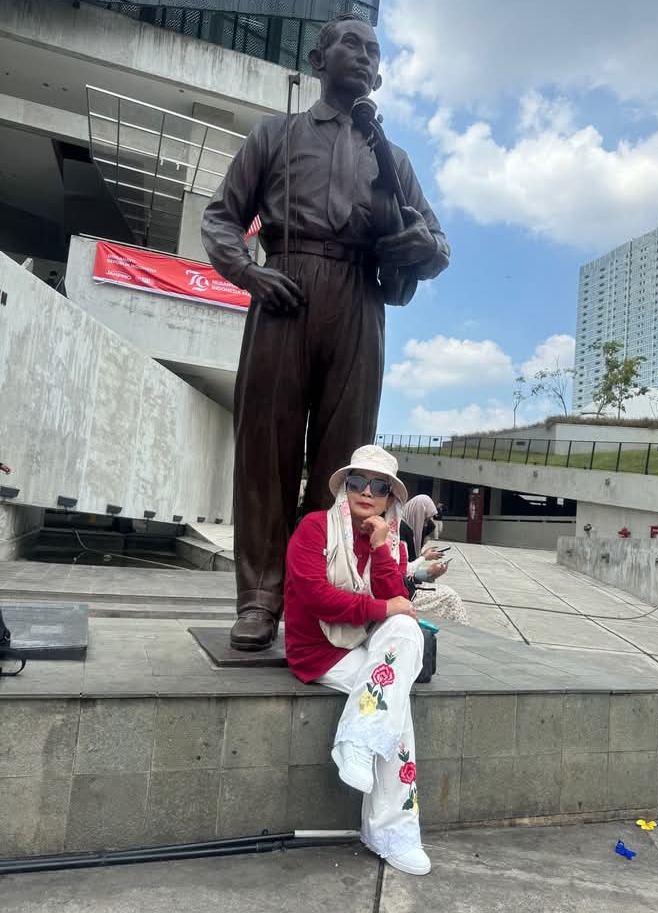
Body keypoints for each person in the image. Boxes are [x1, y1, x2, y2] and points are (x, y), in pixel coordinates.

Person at [201, 13, 450, 650]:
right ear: (318, 59)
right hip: (284, 289)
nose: (363, 56)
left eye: (373, 50)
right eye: (350, 44)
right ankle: (259, 598)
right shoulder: (276, 134)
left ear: (380, 74)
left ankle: (318, 596)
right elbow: (220, 219)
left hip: (360, 298)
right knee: (266, 451)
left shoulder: (392, 159)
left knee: (347, 466)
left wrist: (418, 246)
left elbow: (437, 245)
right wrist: (249, 274)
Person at [284, 445, 431, 876]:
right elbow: (317, 598)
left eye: (379, 486)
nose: (367, 492)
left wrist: (382, 548)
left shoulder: (391, 540)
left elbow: (396, 601)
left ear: (390, 499)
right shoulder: (315, 528)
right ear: (344, 488)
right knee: (394, 710)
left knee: (406, 630)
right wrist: (384, 609)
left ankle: (359, 742)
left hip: (368, 645)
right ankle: (394, 834)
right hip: (319, 650)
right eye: (357, 482)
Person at [401, 495, 468, 625]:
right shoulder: (401, 530)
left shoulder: (406, 529)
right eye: (425, 519)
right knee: (451, 596)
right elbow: (404, 570)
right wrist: (426, 563)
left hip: (407, 587)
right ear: (417, 514)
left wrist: (430, 572)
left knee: (449, 595)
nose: (425, 524)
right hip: (403, 592)